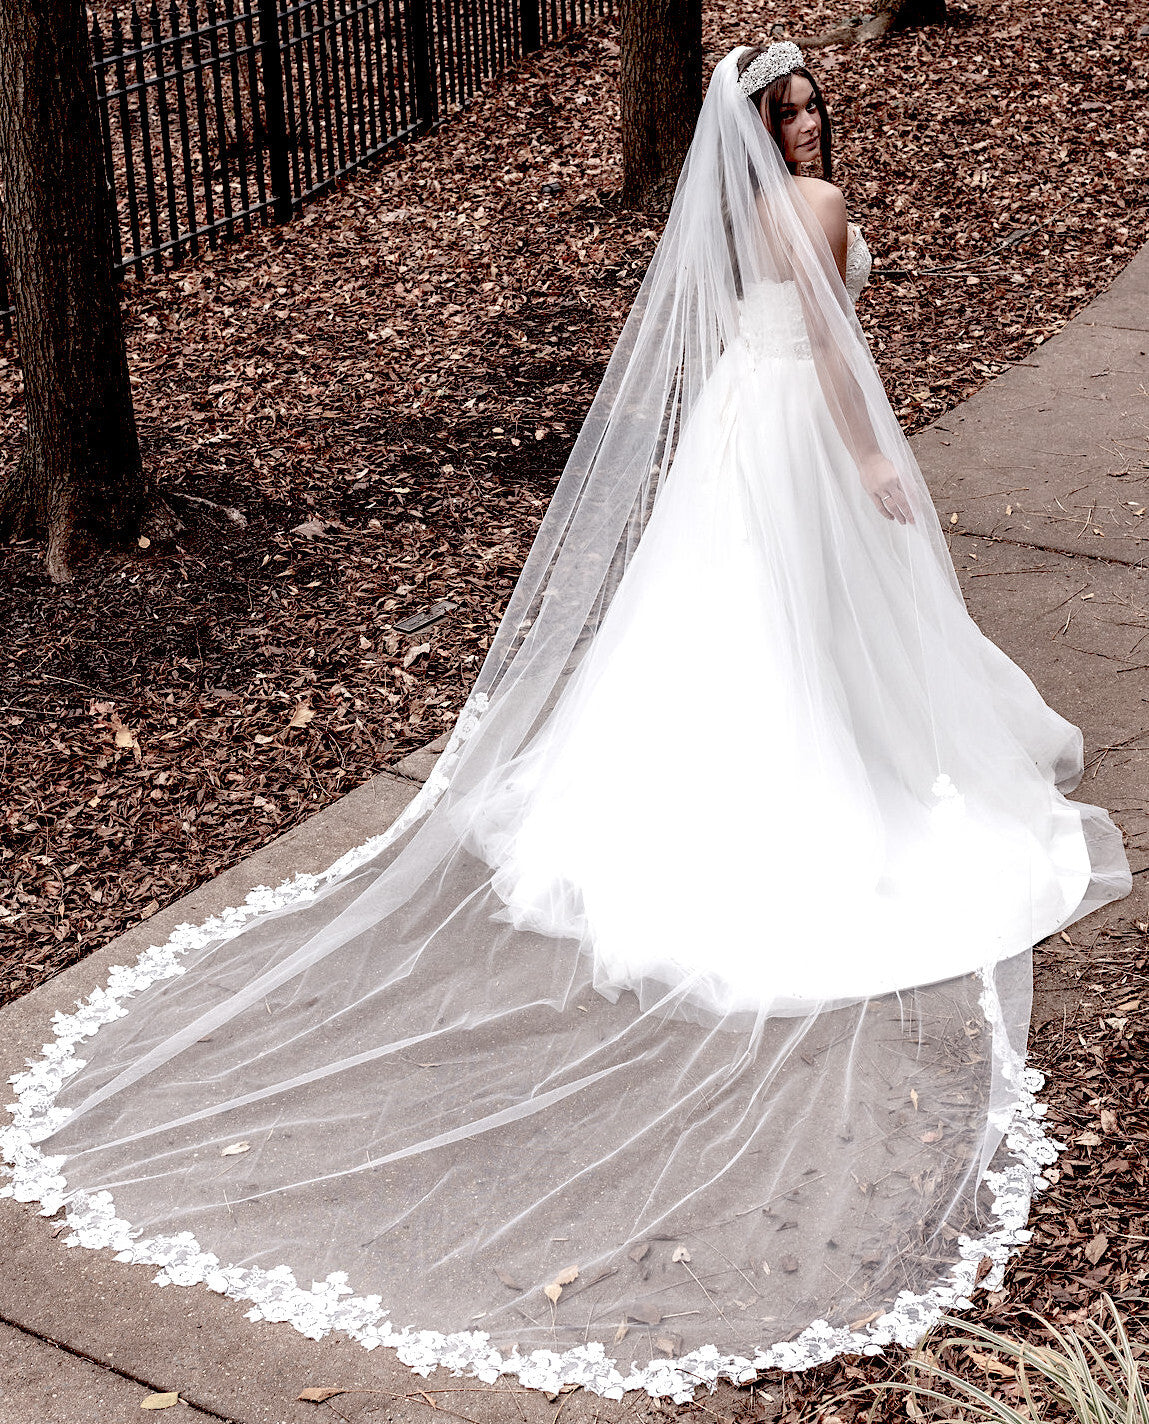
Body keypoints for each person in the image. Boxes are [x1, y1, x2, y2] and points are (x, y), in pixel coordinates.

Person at [2, 44, 1130, 1402]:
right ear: (766, 131)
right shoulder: (817, 210)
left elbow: (741, 334)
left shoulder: (725, 212)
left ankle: (714, 778)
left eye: (814, 104)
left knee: (739, 626)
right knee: (798, 626)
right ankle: (820, 790)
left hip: (734, 428)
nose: (814, 123)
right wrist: (872, 453)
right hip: (797, 432)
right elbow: (836, 356)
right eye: (794, 111)